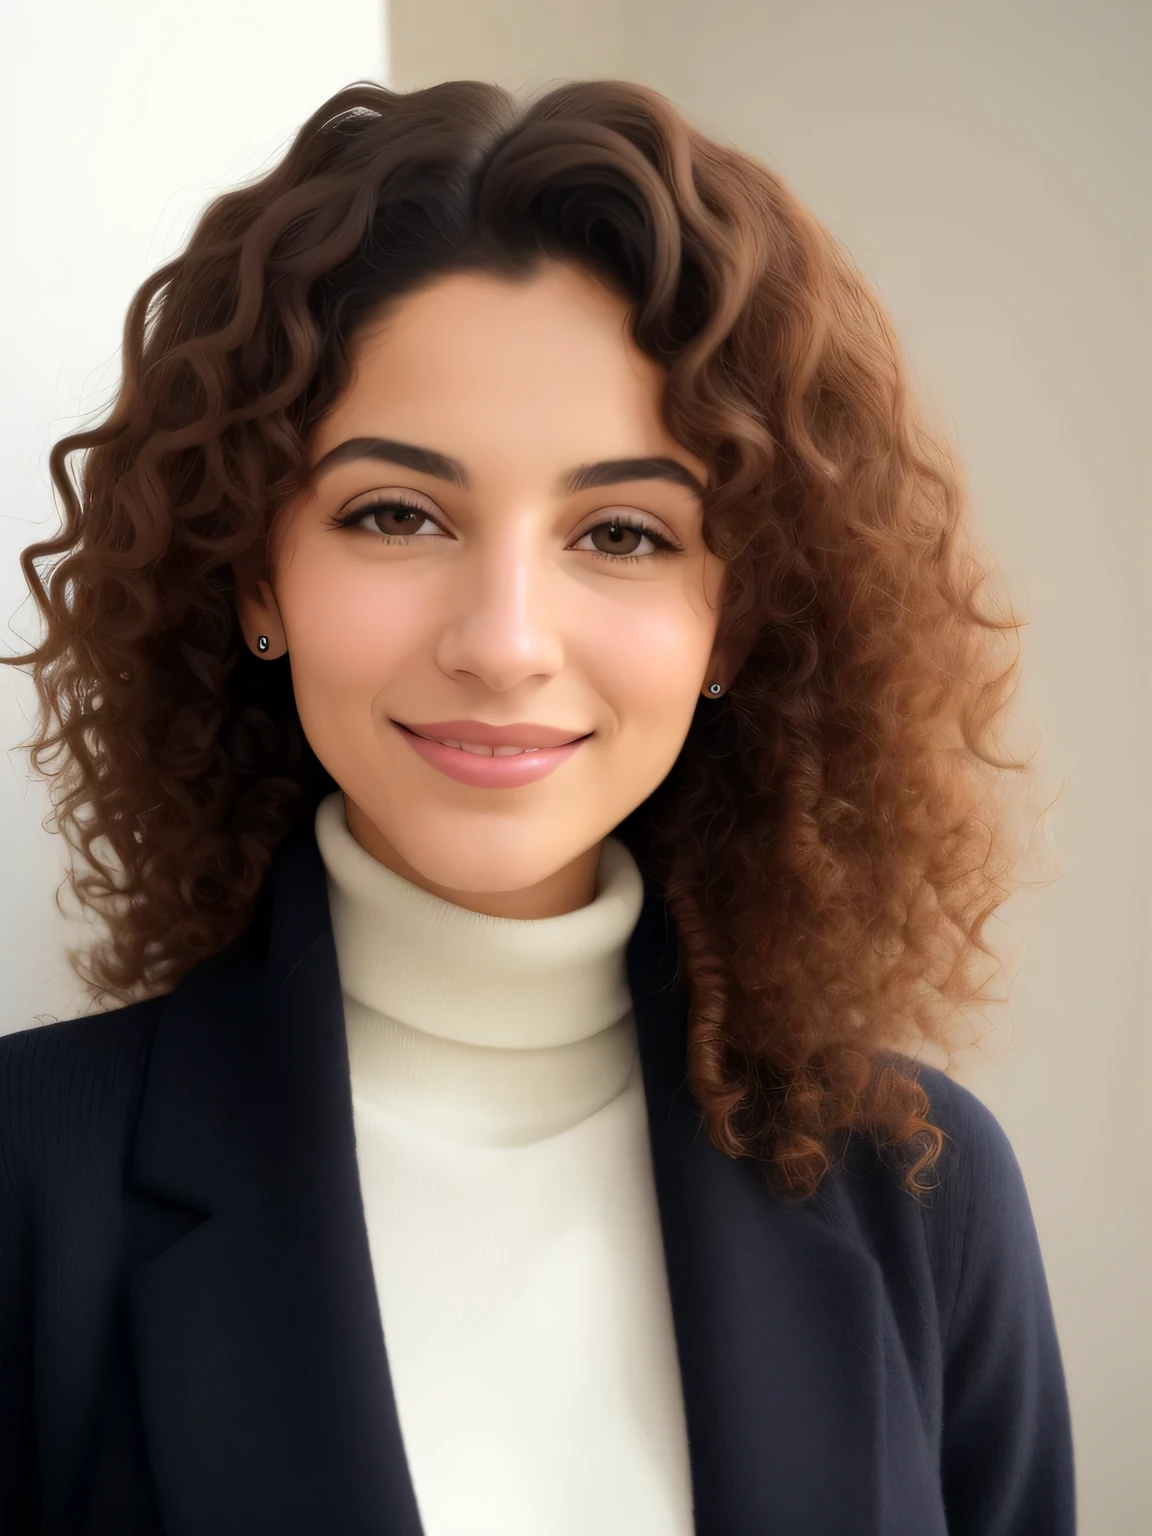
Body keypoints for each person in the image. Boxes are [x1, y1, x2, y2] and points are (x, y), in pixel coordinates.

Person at [0, 76, 1074, 1535]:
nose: (503, 639)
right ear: (259, 573)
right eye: (397, 514)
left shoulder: (922, 1193)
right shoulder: (30, 1178)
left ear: (737, 622)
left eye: (621, 533)